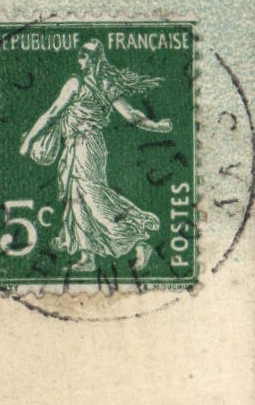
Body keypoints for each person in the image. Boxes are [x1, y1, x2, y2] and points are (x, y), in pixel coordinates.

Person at [19, 39, 172, 273]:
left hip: (86, 146)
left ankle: (138, 240)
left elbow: (52, 113)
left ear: (92, 59)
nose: (81, 59)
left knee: (93, 197)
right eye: (82, 54)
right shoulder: (97, 84)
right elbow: (131, 115)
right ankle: (87, 256)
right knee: (76, 197)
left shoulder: (82, 83)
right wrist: (156, 125)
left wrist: (28, 140)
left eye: (85, 55)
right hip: (79, 146)